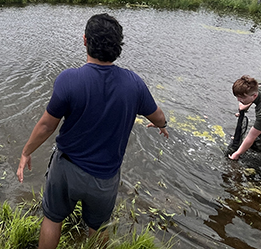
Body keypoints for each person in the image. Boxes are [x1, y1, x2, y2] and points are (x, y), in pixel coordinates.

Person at [16, 13, 170, 249]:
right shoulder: (134, 84)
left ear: (85, 40)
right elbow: (158, 116)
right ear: (118, 46)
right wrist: (162, 126)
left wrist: (27, 152)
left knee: (53, 218)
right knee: (98, 227)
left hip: (66, 169)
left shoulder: (69, 80)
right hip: (105, 177)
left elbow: (47, 125)